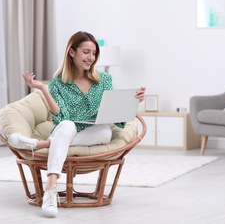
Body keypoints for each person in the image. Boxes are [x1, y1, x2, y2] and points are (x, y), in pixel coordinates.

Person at [8, 31, 146, 217]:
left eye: (94, 53)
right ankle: (51, 189)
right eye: (86, 52)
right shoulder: (58, 83)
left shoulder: (104, 80)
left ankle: (41, 144)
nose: (91, 57)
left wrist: (134, 101)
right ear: (72, 52)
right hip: (69, 128)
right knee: (65, 125)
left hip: (96, 130)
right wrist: (43, 89)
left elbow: (116, 116)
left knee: (106, 131)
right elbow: (60, 116)